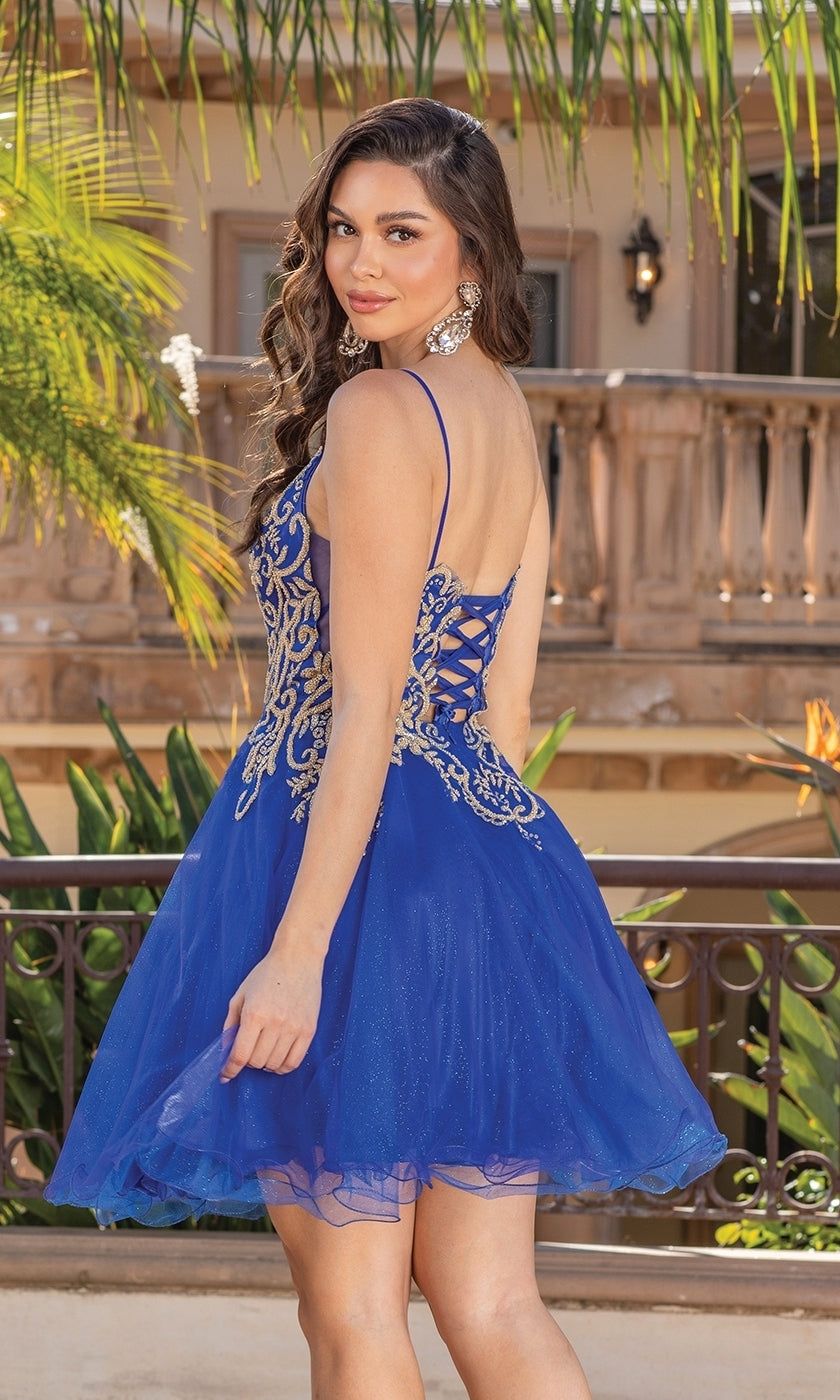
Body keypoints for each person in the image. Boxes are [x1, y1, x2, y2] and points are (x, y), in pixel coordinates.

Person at [47, 98, 726, 1399]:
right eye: (344, 229)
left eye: (402, 232)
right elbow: (504, 715)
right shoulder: (505, 412)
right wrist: (466, 898)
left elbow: (365, 705)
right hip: (478, 864)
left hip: (342, 873)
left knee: (354, 1310)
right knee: (493, 1301)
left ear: (473, 250)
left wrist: (299, 954)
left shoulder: (376, 411)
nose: (361, 262)